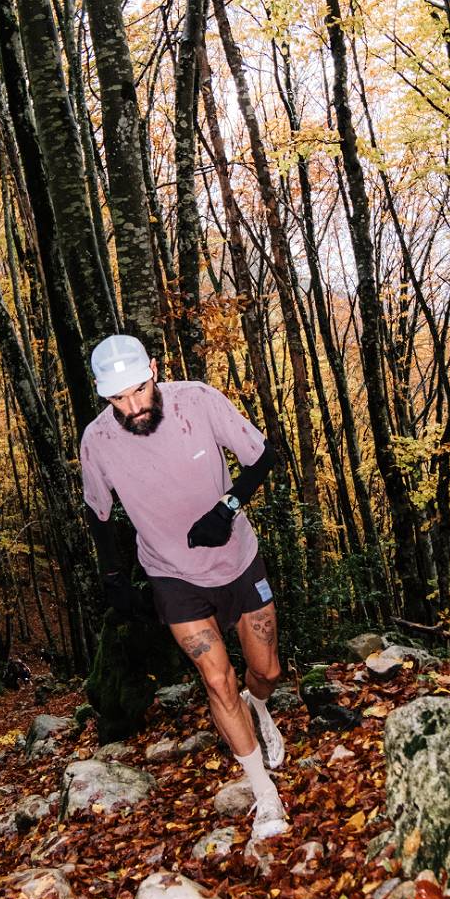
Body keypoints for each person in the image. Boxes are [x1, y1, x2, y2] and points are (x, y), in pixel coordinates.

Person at [80, 334, 289, 841]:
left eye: (137, 391)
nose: (131, 407)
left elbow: (264, 457)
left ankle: (257, 706)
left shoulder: (198, 400)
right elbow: (98, 512)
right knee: (216, 681)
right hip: (171, 575)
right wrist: (113, 579)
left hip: (237, 559)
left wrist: (227, 508)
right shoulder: (98, 440)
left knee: (266, 671)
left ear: (154, 369)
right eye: (116, 399)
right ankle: (264, 795)